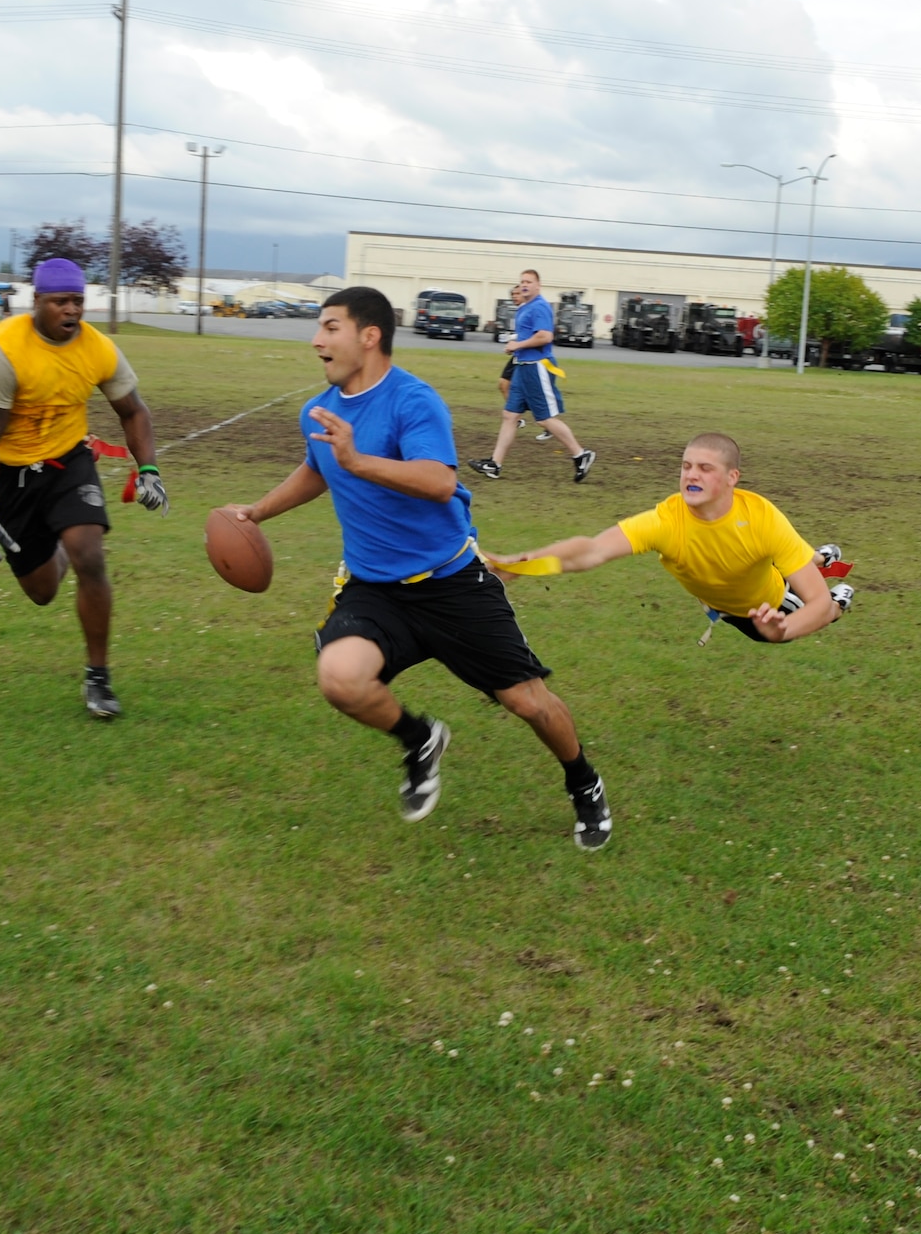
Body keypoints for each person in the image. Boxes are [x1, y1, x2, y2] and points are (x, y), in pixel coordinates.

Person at [219, 286, 612, 851]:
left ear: (369, 335)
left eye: (330, 327)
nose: (316, 339)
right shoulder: (320, 412)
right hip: (374, 589)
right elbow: (317, 469)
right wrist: (257, 511)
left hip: (451, 582)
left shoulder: (413, 400)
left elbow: (439, 481)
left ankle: (583, 780)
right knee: (340, 678)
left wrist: (359, 459)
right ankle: (420, 737)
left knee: (527, 702)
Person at [0, 257, 166, 721]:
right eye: (60, 302)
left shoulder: (98, 349)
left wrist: (149, 470)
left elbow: (133, 412)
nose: (71, 311)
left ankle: (98, 677)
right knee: (41, 591)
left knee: (90, 556)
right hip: (13, 474)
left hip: (68, 461)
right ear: (36, 302)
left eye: (78, 301)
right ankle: (54, 545)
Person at [485, 432, 851, 646]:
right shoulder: (666, 520)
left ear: (731, 477)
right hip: (727, 589)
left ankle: (841, 596)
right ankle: (818, 557)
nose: (691, 475)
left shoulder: (762, 518)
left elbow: (814, 604)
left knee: (819, 607)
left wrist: (782, 630)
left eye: (705, 468)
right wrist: (519, 564)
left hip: (760, 605)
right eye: (686, 466)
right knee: (785, 562)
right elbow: (592, 551)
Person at [467, 268, 595, 483]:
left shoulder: (539, 307)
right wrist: (515, 343)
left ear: (538, 285)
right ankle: (495, 464)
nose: (524, 285)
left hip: (537, 367)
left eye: (529, 281)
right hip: (523, 367)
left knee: (545, 418)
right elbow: (531, 334)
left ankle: (581, 454)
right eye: (522, 281)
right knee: (510, 415)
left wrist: (518, 344)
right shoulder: (525, 307)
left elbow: (545, 336)